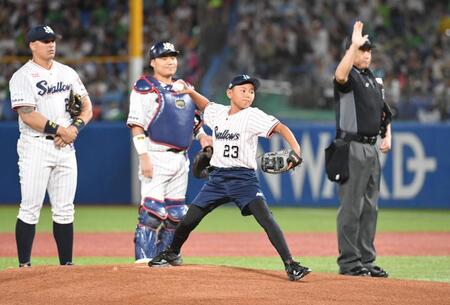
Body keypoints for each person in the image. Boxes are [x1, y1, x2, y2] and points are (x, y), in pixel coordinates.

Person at [149, 74, 312, 281]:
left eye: (251, 91)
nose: (248, 95)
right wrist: (190, 92)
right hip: (217, 180)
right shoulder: (218, 113)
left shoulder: (253, 115)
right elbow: (206, 104)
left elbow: (281, 128)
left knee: (266, 219)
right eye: (242, 90)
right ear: (229, 93)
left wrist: (296, 149)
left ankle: (291, 265)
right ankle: (172, 252)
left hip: (244, 180)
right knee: (189, 219)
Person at [9, 25, 93, 267]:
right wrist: (61, 130)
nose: (51, 44)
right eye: (44, 40)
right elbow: (28, 115)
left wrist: (74, 129)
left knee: (65, 209)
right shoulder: (23, 76)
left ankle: (66, 265)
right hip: (36, 146)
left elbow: (87, 106)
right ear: (32, 45)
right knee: (30, 208)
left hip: (66, 146)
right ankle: (24, 265)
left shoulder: (67, 72)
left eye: (53, 40)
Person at [127, 41, 212, 263]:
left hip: (180, 159)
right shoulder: (145, 87)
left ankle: (164, 258)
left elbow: (194, 122)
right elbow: (137, 124)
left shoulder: (184, 87)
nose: (170, 61)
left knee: (177, 216)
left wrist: (203, 137)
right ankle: (143, 262)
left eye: (173, 56)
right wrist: (143, 155)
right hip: (155, 154)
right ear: (153, 62)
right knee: (152, 214)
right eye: (164, 57)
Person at [333, 21, 391, 277]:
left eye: (368, 50)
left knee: (370, 207)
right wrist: (352, 46)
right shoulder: (351, 77)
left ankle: (366, 260)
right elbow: (340, 76)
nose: (367, 54)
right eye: (361, 50)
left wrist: (387, 134)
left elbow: (384, 114)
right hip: (352, 147)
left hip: (371, 148)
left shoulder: (373, 80)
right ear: (351, 52)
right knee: (351, 207)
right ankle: (349, 262)